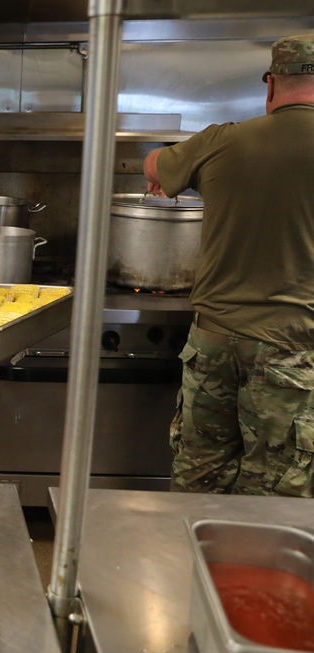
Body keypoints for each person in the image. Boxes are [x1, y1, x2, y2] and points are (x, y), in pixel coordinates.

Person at [143, 33, 314, 496]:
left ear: (271, 84)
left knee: (200, 473)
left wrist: (182, 170)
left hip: (213, 342)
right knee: (274, 491)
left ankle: (190, 545)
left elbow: (153, 165)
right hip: (291, 350)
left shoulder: (222, 140)